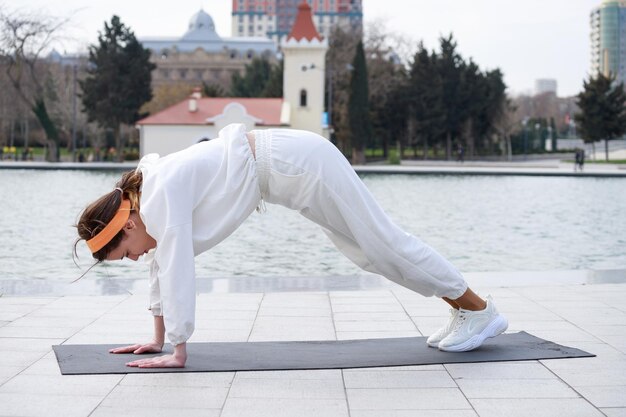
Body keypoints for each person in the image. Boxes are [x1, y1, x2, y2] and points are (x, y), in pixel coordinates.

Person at [74, 123, 508, 368]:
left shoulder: (158, 195)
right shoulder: (149, 198)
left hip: (299, 163)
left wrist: (178, 350)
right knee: (368, 253)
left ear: (127, 223)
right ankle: (463, 308)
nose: (137, 257)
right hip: (293, 169)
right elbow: (163, 268)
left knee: (384, 245)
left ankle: (479, 311)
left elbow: (174, 268)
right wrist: (157, 339)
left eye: (127, 252)